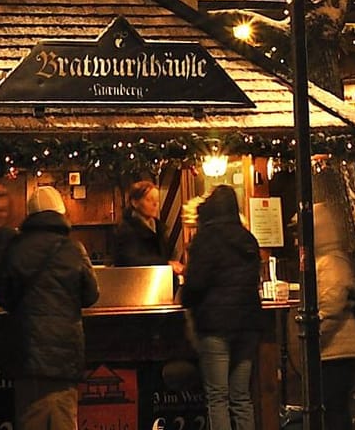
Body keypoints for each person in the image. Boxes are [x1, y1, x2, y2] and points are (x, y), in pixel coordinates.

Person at [0, 185, 99, 430]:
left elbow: (1, 293)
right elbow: (91, 295)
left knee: (31, 419)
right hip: (65, 353)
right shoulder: (74, 249)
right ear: (60, 213)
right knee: (63, 419)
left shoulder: (15, 248)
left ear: (31, 215)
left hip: (28, 350)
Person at [180, 184, 262, 430]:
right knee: (241, 397)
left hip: (215, 326)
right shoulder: (248, 238)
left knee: (218, 397)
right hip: (247, 325)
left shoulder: (205, 239)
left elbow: (196, 283)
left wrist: (185, 299)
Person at [305, 200, 355, 430]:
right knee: (334, 408)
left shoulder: (330, 262)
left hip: (338, 348)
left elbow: (332, 303)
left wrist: (314, 335)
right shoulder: (328, 260)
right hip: (338, 347)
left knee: (334, 409)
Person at [108, 180, 181, 271]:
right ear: (135, 202)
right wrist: (164, 263)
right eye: (149, 200)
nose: (155, 204)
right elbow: (129, 260)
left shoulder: (159, 228)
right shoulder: (127, 230)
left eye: (157, 200)